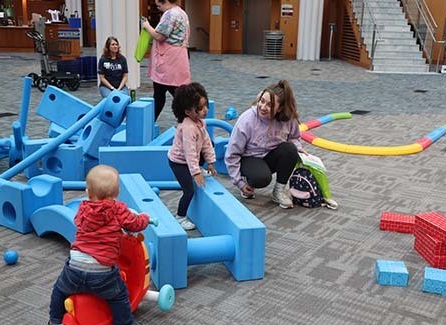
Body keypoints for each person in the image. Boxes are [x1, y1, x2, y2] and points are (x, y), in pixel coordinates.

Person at [48, 165, 150, 325]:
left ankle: (54, 321)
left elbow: (78, 222)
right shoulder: (118, 209)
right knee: (119, 294)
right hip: (101, 270)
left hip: (75, 265)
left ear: (88, 193)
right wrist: (145, 218)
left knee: (59, 289)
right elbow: (135, 224)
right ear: (117, 192)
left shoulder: (82, 209)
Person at [225, 80, 337, 209]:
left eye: (269, 105)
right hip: (250, 157)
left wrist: (299, 149)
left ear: (280, 108)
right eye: (262, 101)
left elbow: (294, 138)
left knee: (290, 149)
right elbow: (232, 153)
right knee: (261, 178)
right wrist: (239, 182)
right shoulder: (247, 119)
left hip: (271, 156)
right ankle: (249, 182)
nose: (262, 107)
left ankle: (278, 191)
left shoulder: (288, 119)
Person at [168, 82, 216, 230]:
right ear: (188, 112)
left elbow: (207, 143)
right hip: (178, 162)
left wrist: (210, 162)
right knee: (189, 190)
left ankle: (197, 169)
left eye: (205, 105)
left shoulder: (200, 122)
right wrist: (195, 173)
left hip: (191, 157)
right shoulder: (188, 128)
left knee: (210, 144)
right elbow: (189, 154)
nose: (205, 110)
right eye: (200, 109)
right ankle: (180, 216)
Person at [141, 0, 190, 121]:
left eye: (158, 3)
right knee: (175, 93)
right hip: (179, 58)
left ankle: (186, 121)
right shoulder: (182, 13)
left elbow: (159, 36)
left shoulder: (170, 14)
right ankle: (187, 120)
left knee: (164, 95)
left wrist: (146, 25)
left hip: (168, 61)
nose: (156, 4)